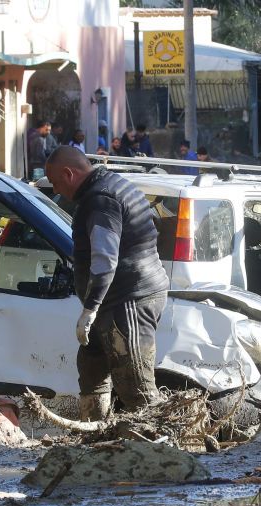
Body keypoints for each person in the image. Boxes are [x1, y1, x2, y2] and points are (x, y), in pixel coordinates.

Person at [43, 147, 170, 421]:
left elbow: (104, 258)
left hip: (129, 299)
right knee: (91, 366)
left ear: (69, 173)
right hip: (120, 298)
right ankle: (96, 435)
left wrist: (90, 309)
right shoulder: (108, 186)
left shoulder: (100, 199)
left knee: (135, 386)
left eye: (55, 182)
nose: (55, 189)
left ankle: (158, 450)